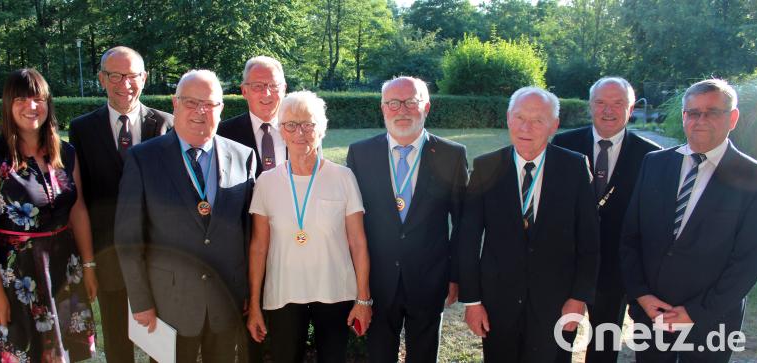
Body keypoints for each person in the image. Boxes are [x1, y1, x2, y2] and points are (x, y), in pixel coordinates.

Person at [115, 70, 256, 362]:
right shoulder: (143, 159)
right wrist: (141, 302)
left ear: (221, 108)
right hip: (169, 302)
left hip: (226, 299)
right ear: (175, 104)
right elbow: (129, 239)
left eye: (209, 104)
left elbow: (248, 232)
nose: (200, 111)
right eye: (191, 102)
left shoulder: (244, 156)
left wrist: (247, 292)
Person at [620, 79, 757, 362]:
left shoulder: (753, 177)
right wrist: (642, 296)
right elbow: (630, 238)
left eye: (712, 112)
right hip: (653, 314)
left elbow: (748, 261)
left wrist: (696, 312)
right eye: (692, 112)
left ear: (732, 118)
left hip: (710, 322)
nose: (700, 120)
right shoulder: (654, 163)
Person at [459, 87, 600, 362]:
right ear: (508, 118)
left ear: (554, 126)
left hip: (557, 302)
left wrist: (578, 297)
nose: (527, 127)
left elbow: (589, 240)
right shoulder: (486, 167)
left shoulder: (574, 167)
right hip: (498, 303)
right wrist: (473, 302)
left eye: (538, 120)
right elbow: (468, 239)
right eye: (520, 117)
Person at [0, 68, 97, 362]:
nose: (31, 106)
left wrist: (88, 264)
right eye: (21, 100)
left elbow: (77, 210)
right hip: (16, 278)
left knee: (63, 354)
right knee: (23, 352)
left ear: (48, 103)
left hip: (64, 270)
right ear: (8, 105)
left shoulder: (66, 153)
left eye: (38, 99)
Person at [346, 76, 468, 362]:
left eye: (411, 102)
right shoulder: (361, 153)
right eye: (393, 103)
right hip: (376, 280)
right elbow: (350, 221)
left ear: (426, 106)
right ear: (383, 108)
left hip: (429, 279)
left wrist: (455, 274)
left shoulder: (451, 155)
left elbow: (463, 223)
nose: (401, 110)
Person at [246, 90, 372, 362]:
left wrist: (363, 300)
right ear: (281, 130)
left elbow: (358, 242)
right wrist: (254, 304)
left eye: (308, 124)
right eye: (291, 124)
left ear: (322, 129)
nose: (299, 132)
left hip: (334, 290)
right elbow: (258, 247)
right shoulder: (266, 182)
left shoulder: (343, 177)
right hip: (283, 292)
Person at [68, 46, 172, 363]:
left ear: (144, 78)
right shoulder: (83, 129)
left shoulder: (165, 124)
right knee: (117, 343)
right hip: (108, 254)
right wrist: (88, 263)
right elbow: (80, 199)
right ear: (101, 79)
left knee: (160, 343)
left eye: (131, 75)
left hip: (158, 258)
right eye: (115, 75)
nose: (123, 83)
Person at [551, 77, 660, 362]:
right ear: (590, 105)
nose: (608, 110)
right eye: (600, 102)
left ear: (631, 107)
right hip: (566, 264)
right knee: (559, 341)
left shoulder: (651, 155)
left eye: (618, 103)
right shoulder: (564, 144)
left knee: (604, 345)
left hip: (617, 268)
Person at [217, 55, 287, 177]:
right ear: (244, 91)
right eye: (258, 86)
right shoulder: (223, 134)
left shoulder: (302, 130)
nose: (266, 93)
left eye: (273, 85)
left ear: (284, 89)